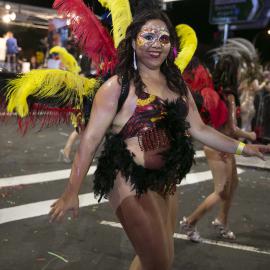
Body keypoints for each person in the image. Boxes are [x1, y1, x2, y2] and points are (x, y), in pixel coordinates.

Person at [49, 10, 269, 270]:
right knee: (158, 261)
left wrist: (244, 148)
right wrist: (70, 192)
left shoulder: (177, 86)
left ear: (171, 46)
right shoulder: (116, 88)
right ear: (133, 41)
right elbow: (89, 141)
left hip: (166, 180)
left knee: (156, 257)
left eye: (164, 38)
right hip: (129, 180)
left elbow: (201, 130)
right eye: (148, 36)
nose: (156, 43)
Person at [180, 55, 257, 243]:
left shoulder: (217, 90)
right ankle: (190, 222)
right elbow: (231, 129)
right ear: (233, 72)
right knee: (221, 191)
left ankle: (222, 220)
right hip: (219, 147)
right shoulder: (229, 95)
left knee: (234, 184)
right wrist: (250, 136)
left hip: (222, 146)